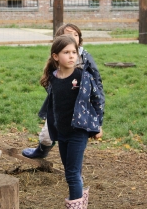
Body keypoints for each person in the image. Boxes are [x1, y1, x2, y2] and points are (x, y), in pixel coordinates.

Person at [38, 34, 104, 208]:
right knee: (71, 171)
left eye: (74, 52)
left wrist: (98, 125)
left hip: (78, 131)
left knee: (72, 173)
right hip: (61, 133)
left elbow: (97, 100)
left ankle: (76, 205)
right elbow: (54, 104)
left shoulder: (83, 77)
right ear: (55, 56)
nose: (71, 56)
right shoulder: (53, 78)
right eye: (66, 52)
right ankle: (81, 199)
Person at [22, 23, 104, 159]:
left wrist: (98, 121)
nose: (72, 37)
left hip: (81, 109)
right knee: (47, 135)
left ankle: (74, 169)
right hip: (60, 107)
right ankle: (42, 150)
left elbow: (97, 85)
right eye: (68, 34)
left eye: (76, 35)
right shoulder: (57, 59)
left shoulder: (85, 58)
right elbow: (48, 80)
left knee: (76, 142)